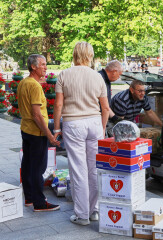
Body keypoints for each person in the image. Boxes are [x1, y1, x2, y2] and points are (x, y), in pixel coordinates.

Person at [53, 42, 110, 225]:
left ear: (74, 54)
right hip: (94, 123)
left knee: (78, 169)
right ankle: (94, 210)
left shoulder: (64, 74)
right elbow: (105, 108)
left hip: (73, 123)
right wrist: (102, 128)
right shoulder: (97, 77)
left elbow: (59, 105)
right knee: (94, 169)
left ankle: (82, 215)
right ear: (90, 55)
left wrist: (56, 128)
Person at [17, 54, 60, 212]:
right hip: (36, 132)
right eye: (42, 64)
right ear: (33, 67)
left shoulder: (24, 82)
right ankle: (39, 203)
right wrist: (49, 135)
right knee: (38, 168)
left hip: (26, 129)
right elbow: (37, 114)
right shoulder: (34, 85)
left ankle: (29, 197)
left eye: (45, 64)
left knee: (28, 164)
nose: (45, 67)